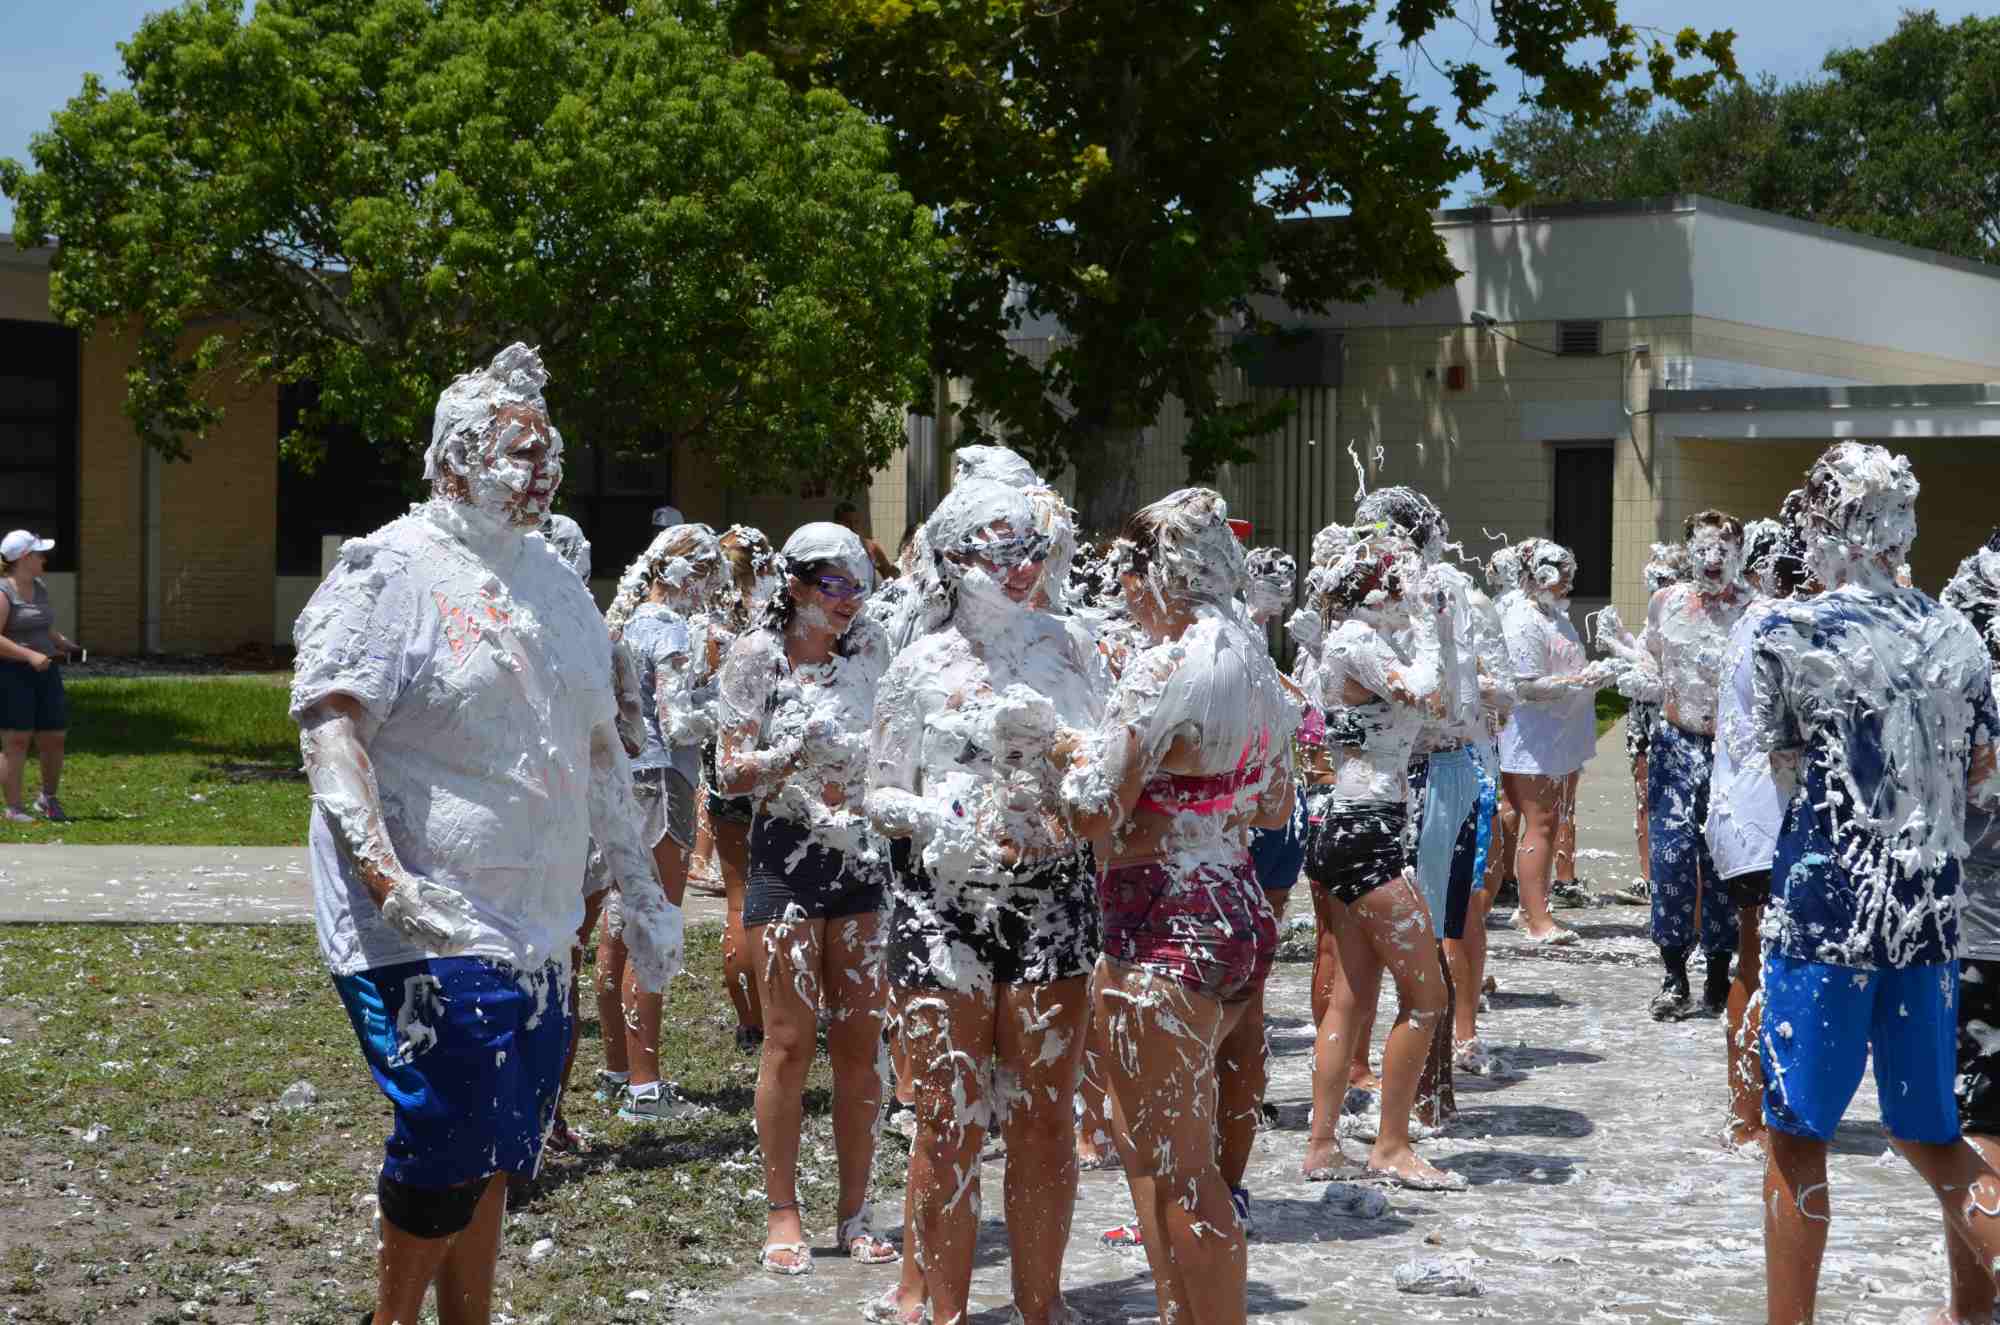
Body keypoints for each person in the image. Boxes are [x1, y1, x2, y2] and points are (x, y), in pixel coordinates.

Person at [289, 344, 682, 1325]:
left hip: (537, 920)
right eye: (519, 451)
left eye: (552, 453)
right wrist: (386, 878)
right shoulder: (390, 569)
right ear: (454, 460)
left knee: (505, 1136)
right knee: (452, 1123)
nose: (543, 470)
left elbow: (601, 752)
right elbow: (332, 730)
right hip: (421, 916)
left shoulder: (556, 588)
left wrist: (641, 893)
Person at [1751, 442, 2000, 1325]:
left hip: (1826, 910)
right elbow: (1981, 780)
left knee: (1796, 1137)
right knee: (1932, 1134)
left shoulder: (1790, 633)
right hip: (1928, 914)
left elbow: (1783, 769)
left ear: (1826, 528)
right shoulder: (1959, 635)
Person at [865, 477, 1107, 1325]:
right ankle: (946, 1312)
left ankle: (1041, 1306)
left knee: (1043, 1117)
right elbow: (880, 796)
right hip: (943, 907)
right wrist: (943, 820)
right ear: (952, 557)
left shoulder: (1070, 649)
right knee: (946, 1117)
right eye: (999, 549)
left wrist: (1068, 790)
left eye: (1031, 548)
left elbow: (1103, 770)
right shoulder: (917, 666)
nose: (1020, 566)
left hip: (1052, 902)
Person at [1060, 488, 1296, 1325]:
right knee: (1155, 1149)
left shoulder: (1162, 667)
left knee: (1185, 1169)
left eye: (1128, 572)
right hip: (1234, 906)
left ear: (1158, 575)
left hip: (1165, 922)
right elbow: (1274, 806)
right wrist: (1195, 799)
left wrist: (1056, 755)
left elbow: (1094, 811)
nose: (1122, 591)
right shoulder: (1259, 667)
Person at [716, 522, 898, 1274]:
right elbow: (728, 769)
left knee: (861, 1043)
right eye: (835, 586)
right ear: (794, 585)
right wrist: (793, 752)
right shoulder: (756, 655)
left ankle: (856, 1210)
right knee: (789, 1043)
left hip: (861, 860)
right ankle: (783, 1212)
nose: (850, 600)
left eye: (859, 586)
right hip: (785, 860)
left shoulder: (871, 650)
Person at [1295, 529, 1463, 1191]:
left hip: (1360, 825)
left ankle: (1321, 1145)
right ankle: (1391, 1144)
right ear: (1366, 590)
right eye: (1396, 580)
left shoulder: (1364, 641)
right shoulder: (1356, 641)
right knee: (1427, 996)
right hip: (1362, 832)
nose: (1406, 589)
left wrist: (1433, 633)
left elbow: (1445, 706)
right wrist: (1434, 625)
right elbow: (1427, 694)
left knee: (1353, 996)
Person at [596, 523, 722, 1120]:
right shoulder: (669, 628)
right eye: (710, 578)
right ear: (689, 575)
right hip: (663, 783)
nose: (712, 593)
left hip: (625, 779)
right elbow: (676, 722)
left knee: (619, 923)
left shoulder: (626, 623)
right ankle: (646, 1087)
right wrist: (730, 703)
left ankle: (617, 1070)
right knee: (654, 928)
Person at [1705, 509, 1809, 1152]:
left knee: (1756, 964)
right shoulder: (1781, 627)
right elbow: (1788, 733)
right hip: (1766, 821)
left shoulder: (1753, 619)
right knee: (1768, 968)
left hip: (1744, 817)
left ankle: (1749, 1112)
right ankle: (1753, 1116)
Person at [1498, 539, 1619, 945]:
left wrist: (1594, 674)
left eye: (1571, 576)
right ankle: (1536, 918)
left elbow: (1566, 666)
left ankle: (1531, 907)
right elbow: (1526, 685)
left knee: (1552, 821)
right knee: (1542, 822)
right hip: (1533, 740)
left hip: (1560, 734)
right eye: (1562, 576)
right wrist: (1578, 682)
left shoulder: (1554, 616)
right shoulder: (1522, 620)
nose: (1569, 584)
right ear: (1539, 576)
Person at [1938, 531, 2000, 1325]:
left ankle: (1972, 1306)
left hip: (1978, 935)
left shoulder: (1962, 687)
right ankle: (1968, 1305)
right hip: (1974, 928)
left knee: (1976, 1124)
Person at [688, 524, 779, 1051]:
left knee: (739, 900)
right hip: (774, 764)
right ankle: (778, 1013)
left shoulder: (710, 624)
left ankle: (751, 1023)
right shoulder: (779, 620)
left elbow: (695, 694)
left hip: (727, 760)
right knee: (778, 899)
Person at [1596, 542, 1689, 903]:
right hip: (1642, 719)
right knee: (1644, 796)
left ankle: (1669, 878)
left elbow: (1660, 671)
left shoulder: (1684, 615)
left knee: (1668, 798)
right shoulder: (1657, 610)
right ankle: (1648, 876)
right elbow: (1646, 655)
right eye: (1652, 578)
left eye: (1662, 577)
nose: (1654, 585)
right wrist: (1622, 638)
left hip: (1669, 719)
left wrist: (1618, 647)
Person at [0, 529, 78, 824]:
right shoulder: (3, 592)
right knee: (17, 740)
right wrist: (29, 655)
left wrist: (63, 644)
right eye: (39, 554)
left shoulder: (39, 587)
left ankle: (48, 798)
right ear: (24, 558)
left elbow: (43, 626)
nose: (44, 559)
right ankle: (13, 808)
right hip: (13, 674)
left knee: (54, 737)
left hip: (46, 672)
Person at [836, 499, 900, 584]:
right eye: (847, 522)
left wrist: (898, 568)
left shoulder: (870, 547)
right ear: (837, 523)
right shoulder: (830, 548)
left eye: (856, 522)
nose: (852, 526)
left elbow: (890, 577)